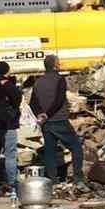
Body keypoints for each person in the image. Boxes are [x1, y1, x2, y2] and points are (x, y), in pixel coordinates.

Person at [30, 55, 84, 184]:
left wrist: (40, 114)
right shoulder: (60, 79)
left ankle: (53, 181)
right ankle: (78, 178)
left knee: (50, 151)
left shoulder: (38, 82)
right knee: (76, 147)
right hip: (59, 120)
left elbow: (33, 102)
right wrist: (47, 114)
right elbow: (59, 100)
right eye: (58, 63)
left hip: (46, 123)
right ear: (55, 65)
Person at [0, 61, 20, 200]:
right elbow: (17, 98)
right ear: (5, 71)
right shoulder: (6, 84)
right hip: (8, 124)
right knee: (10, 155)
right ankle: (12, 184)